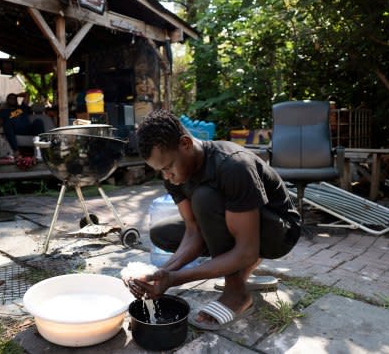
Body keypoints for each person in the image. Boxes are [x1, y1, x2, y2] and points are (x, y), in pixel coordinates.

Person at [129, 109, 301, 330]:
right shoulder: (172, 177)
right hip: (238, 222)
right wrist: (161, 274)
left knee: (204, 197)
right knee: (162, 232)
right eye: (160, 170)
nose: (167, 176)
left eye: (169, 167)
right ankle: (238, 269)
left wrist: (176, 279)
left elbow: (246, 250)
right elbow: (193, 231)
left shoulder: (233, 165)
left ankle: (236, 292)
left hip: (278, 231)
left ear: (185, 144)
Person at [0, 92, 45, 162]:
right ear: (7, 101)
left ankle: (41, 150)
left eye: (14, 98)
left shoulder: (22, 107)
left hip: (27, 129)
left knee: (38, 122)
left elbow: (27, 94)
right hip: (15, 130)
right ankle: (16, 152)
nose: (12, 99)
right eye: (10, 98)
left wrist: (16, 95)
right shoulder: (4, 112)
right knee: (7, 123)